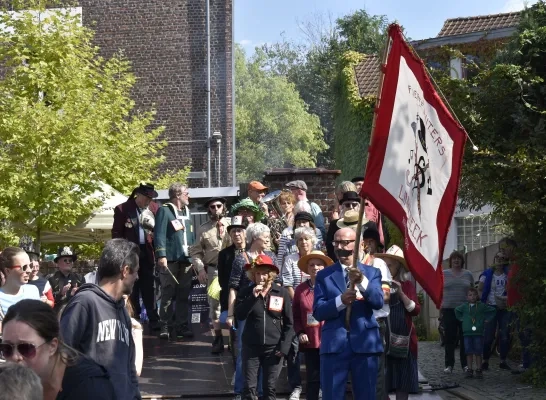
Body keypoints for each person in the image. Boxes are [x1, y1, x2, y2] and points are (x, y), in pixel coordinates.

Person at [60, 239, 141, 400]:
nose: (137, 277)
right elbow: (61, 357)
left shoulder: (123, 311)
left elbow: (129, 368)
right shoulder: (84, 302)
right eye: (136, 271)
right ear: (125, 271)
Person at [313, 227, 384, 400]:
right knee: (331, 395)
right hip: (334, 345)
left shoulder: (372, 273)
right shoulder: (324, 275)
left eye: (345, 242)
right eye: (336, 242)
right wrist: (340, 301)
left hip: (365, 343)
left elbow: (377, 301)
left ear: (359, 244)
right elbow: (318, 311)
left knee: (367, 395)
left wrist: (361, 281)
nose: (340, 247)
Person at [1, 299, 116, 400]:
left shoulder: (90, 389)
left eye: (26, 348)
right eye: (6, 348)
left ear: (52, 346)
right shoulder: (9, 383)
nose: (15, 357)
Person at [235, 254, 294, 400]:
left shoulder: (281, 292)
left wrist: (284, 347)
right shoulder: (246, 292)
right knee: (249, 388)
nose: (260, 277)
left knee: (269, 388)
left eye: (264, 273)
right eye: (257, 273)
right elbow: (240, 315)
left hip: (273, 348)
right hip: (251, 346)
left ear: (270, 274)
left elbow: (290, 323)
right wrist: (253, 298)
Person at [229, 223, 273, 400]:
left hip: (268, 312)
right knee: (243, 354)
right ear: (255, 237)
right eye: (266, 235)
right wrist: (231, 314)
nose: (269, 238)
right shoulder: (241, 258)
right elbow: (233, 287)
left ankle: (261, 392)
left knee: (266, 353)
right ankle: (240, 391)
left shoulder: (271, 256)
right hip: (246, 310)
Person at [155, 183, 201, 340]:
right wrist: (161, 255)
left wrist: (195, 256)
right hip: (171, 258)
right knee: (168, 292)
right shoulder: (164, 211)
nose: (189, 196)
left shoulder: (187, 212)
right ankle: (165, 325)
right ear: (177, 195)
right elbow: (159, 234)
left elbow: (191, 236)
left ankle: (181, 325)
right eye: (186, 193)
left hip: (186, 259)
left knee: (183, 293)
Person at [112, 182, 160, 330]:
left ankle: (153, 317)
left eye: (150, 198)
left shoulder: (155, 208)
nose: (148, 201)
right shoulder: (123, 209)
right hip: (130, 252)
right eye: (146, 197)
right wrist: (121, 254)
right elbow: (116, 234)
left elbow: (160, 232)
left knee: (150, 285)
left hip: (148, 251)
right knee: (131, 284)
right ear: (138, 195)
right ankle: (133, 315)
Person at [376, 246, 420, 400]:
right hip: (382, 337)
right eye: (385, 265)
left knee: (403, 380)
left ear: (398, 267)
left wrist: (401, 293)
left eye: (390, 265)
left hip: (404, 340)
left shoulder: (407, 285)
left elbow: (415, 310)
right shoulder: (378, 284)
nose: (386, 268)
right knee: (382, 380)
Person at [190, 196, 230, 353]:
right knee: (215, 305)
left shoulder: (232, 224)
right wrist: (200, 268)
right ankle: (218, 338)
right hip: (214, 271)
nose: (216, 209)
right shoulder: (203, 228)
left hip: (231, 269)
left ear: (223, 207)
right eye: (212, 207)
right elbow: (195, 251)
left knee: (234, 302)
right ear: (208, 209)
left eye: (219, 206)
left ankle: (233, 339)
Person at [281, 226, 318, 400]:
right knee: (294, 350)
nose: (303, 242)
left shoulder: (319, 258)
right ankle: (296, 386)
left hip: (317, 312)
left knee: (318, 349)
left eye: (307, 239)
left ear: (313, 241)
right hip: (296, 308)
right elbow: (287, 283)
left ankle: (320, 386)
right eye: (300, 239)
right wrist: (300, 299)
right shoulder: (290, 259)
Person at [293, 250, 333, 400]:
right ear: (307, 268)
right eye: (312, 265)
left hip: (329, 340)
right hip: (310, 341)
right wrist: (300, 332)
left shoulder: (331, 287)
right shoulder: (300, 290)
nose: (315, 267)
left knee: (331, 380)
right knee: (313, 381)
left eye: (319, 264)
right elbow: (296, 315)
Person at [360, 225, 391, 400]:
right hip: (358, 322)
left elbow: (386, 296)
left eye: (370, 242)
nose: (367, 245)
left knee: (377, 369)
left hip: (376, 323)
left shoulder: (379, 264)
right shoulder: (354, 264)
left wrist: (365, 292)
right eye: (365, 242)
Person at [217, 216, 247, 368]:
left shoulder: (251, 251)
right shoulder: (224, 254)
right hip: (232, 298)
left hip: (250, 297)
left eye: (240, 231)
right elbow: (222, 280)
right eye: (234, 231)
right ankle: (237, 367)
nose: (237, 234)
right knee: (234, 335)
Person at [441, 251, 474, 374]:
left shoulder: (468, 274)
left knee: (465, 337)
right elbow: (439, 291)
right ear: (450, 261)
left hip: (465, 310)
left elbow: (473, 291)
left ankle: (465, 365)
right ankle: (449, 364)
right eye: (454, 259)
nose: (456, 261)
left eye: (458, 259)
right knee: (449, 338)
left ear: (462, 261)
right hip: (449, 309)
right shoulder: (444, 274)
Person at [478, 252, 511, 371]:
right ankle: (485, 360)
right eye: (497, 257)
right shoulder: (487, 274)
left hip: (504, 307)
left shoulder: (508, 274)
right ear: (494, 259)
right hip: (490, 307)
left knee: (505, 335)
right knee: (488, 336)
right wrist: (484, 302)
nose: (500, 260)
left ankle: (503, 360)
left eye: (503, 258)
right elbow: (480, 289)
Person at [455, 288, 496, 378]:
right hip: (467, 333)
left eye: (474, 295)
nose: (472, 297)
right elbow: (456, 310)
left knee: (478, 351)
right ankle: (469, 369)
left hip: (478, 332)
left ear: (477, 296)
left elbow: (493, 311)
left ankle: (479, 369)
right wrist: (462, 319)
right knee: (468, 352)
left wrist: (487, 319)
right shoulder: (464, 306)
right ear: (467, 297)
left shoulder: (481, 306)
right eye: (470, 295)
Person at [0, 247, 40, 331]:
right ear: (7, 271)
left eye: (30, 266)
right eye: (24, 267)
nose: (29, 270)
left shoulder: (33, 291)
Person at [48, 247, 84, 315]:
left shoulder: (80, 278)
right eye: (65, 260)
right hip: (57, 316)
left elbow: (85, 298)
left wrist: (77, 294)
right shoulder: (51, 279)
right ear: (58, 263)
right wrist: (61, 294)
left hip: (75, 315)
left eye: (70, 260)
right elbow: (49, 300)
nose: (68, 262)